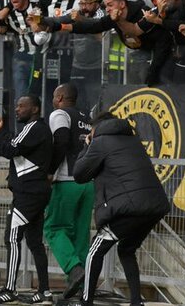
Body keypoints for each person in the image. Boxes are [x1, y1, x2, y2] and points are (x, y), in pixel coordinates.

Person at [70, 112, 171, 306]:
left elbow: (79, 174)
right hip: (154, 206)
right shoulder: (133, 141)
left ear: (96, 129)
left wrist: (87, 145)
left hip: (130, 208)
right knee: (126, 249)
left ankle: (85, 301)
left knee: (95, 250)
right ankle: (136, 302)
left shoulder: (100, 142)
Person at [0, 95, 53, 304]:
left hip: (27, 193)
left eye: (22, 106)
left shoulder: (33, 127)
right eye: (17, 106)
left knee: (12, 238)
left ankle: (9, 289)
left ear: (35, 109)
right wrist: (0, 132)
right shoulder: (37, 130)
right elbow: (13, 147)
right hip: (37, 192)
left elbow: (8, 150)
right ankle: (44, 292)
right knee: (35, 242)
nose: (17, 109)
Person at [43, 84, 94, 300]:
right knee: (81, 234)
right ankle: (82, 288)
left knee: (54, 228)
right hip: (88, 182)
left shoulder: (59, 114)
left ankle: (74, 269)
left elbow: (61, 140)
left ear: (61, 97)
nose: (53, 100)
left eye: (54, 96)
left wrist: (50, 170)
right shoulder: (87, 119)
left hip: (67, 180)